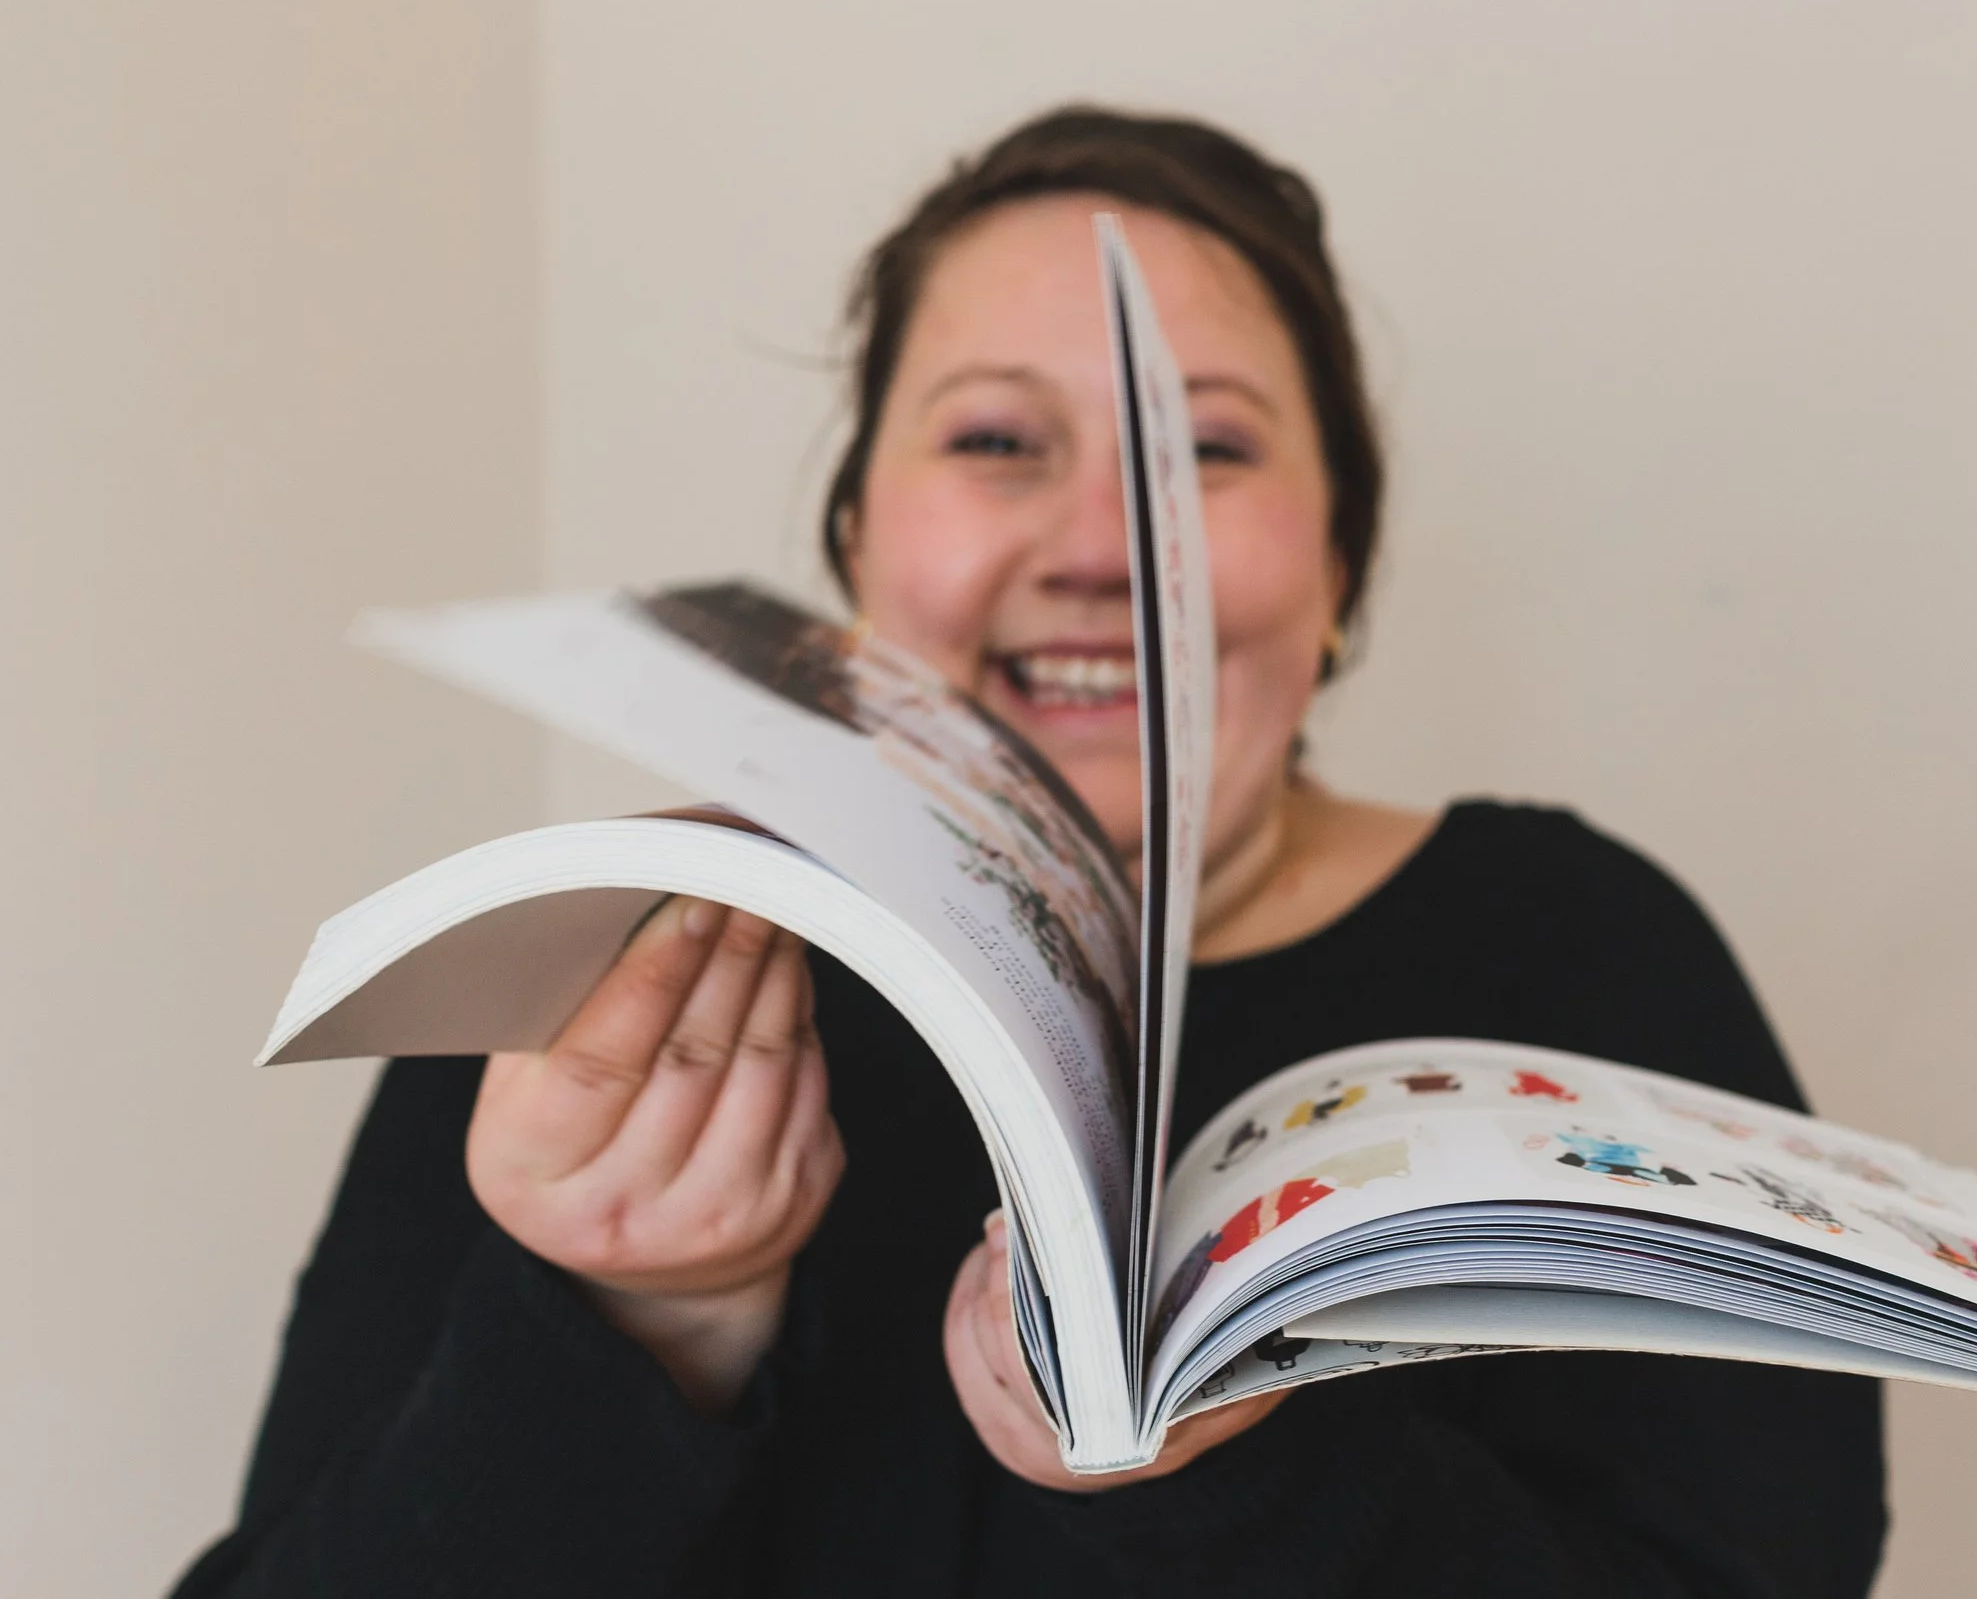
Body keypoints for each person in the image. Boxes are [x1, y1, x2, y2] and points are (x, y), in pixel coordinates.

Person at [171, 107, 1886, 1598]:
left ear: (1343, 555)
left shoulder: (1583, 954)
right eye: (997, 440)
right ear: (853, 538)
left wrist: (1239, 1468)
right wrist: (640, 1333)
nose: (1103, 542)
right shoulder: (622, 990)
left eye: (1204, 450)